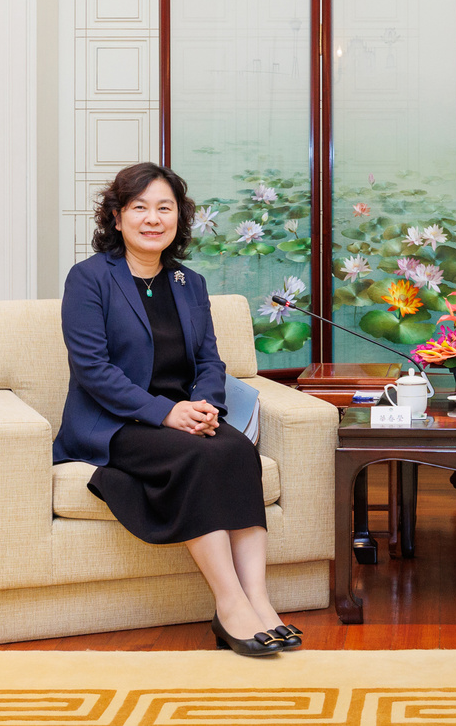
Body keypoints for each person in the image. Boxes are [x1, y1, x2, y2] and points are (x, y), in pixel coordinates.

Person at [51, 163, 300, 658]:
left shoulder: (190, 282)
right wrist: (165, 413)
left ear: (178, 219)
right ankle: (229, 604)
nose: (153, 219)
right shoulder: (89, 279)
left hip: (185, 417)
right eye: (139, 208)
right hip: (115, 422)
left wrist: (205, 407)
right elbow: (93, 369)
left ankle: (259, 600)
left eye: (164, 208)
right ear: (117, 217)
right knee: (200, 456)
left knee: (237, 450)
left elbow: (210, 360)